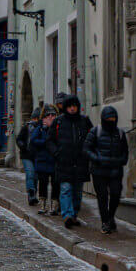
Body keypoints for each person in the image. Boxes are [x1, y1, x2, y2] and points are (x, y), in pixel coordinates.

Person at [47, 92, 92, 228]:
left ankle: (74, 215)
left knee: (77, 192)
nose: (72, 109)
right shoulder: (59, 122)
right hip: (64, 162)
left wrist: (87, 152)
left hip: (80, 162)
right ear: (66, 107)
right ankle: (67, 215)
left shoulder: (84, 121)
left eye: (74, 106)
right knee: (65, 189)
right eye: (70, 106)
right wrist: (56, 153)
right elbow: (50, 140)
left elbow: (91, 138)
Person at [84, 105, 129, 234]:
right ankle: (105, 221)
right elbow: (86, 149)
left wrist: (121, 161)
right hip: (99, 171)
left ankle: (110, 217)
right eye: (109, 118)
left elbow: (125, 151)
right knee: (102, 197)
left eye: (113, 118)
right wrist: (96, 158)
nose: (111, 120)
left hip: (115, 170)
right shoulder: (95, 131)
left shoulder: (120, 133)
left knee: (115, 194)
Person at [30, 105, 59, 216]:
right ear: (44, 117)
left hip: (54, 159)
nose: (50, 117)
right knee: (43, 182)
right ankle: (43, 204)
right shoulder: (40, 128)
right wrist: (45, 141)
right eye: (48, 115)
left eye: (53, 115)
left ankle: (54, 205)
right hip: (42, 160)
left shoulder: (58, 126)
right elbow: (33, 140)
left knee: (56, 183)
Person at [16, 108, 41, 206]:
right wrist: (23, 146)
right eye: (35, 118)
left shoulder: (42, 128)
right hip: (27, 155)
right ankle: (31, 194)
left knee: (35, 176)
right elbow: (19, 139)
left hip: (37, 156)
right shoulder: (26, 127)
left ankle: (33, 194)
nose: (36, 120)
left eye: (37, 118)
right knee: (30, 173)